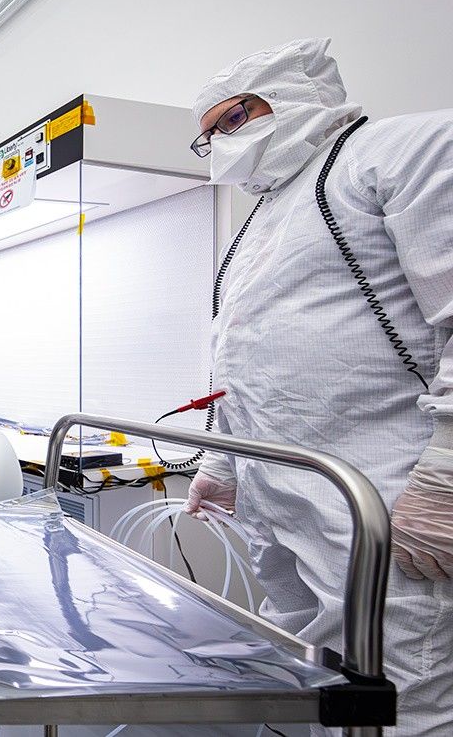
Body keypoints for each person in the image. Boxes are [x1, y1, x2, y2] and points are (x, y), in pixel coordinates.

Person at [183, 38, 453, 735]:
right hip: (284, 500)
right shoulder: (266, 218)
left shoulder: (402, 151)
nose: (217, 144)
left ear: (291, 94)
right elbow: (243, 354)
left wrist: (448, 476)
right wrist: (222, 462)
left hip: (386, 499)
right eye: (205, 135)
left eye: (231, 120)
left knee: (400, 695)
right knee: (309, 682)